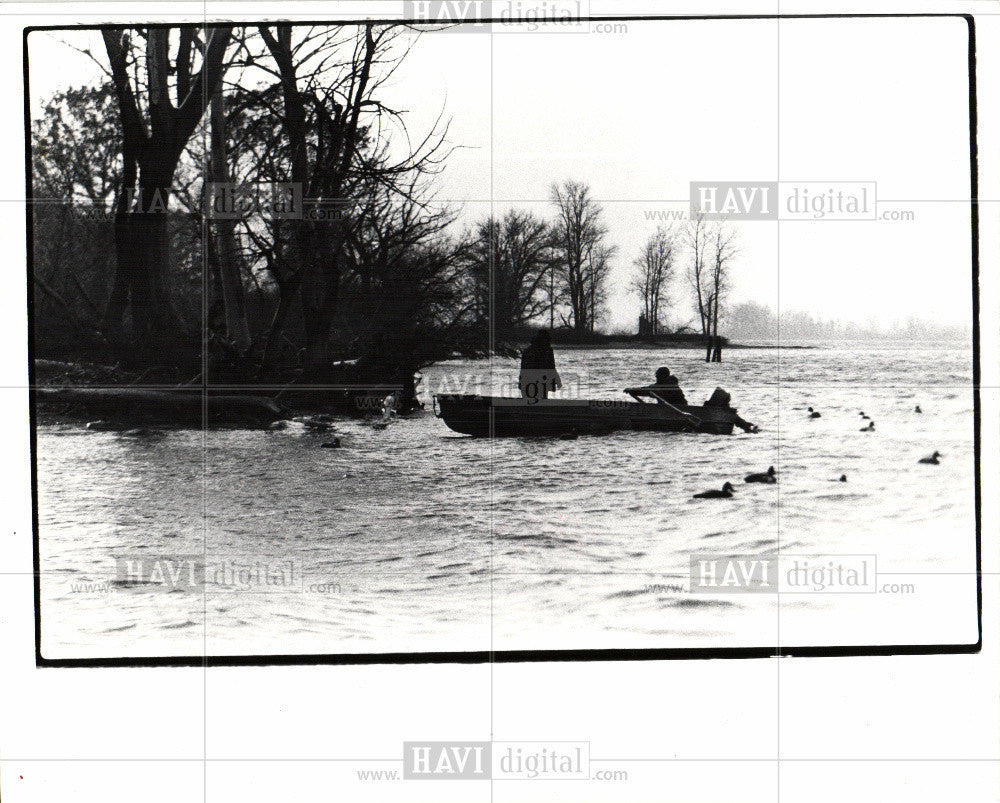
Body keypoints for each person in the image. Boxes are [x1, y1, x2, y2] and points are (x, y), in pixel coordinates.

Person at [518, 330, 561, 401]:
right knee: (540, 401)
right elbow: (551, 367)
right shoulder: (547, 350)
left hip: (529, 381)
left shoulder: (528, 350)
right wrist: (556, 381)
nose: (549, 343)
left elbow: (523, 368)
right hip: (538, 381)